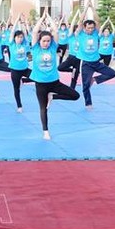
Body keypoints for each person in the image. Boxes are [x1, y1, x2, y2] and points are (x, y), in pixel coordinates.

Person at [29, 12, 80, 140]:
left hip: (54, 82)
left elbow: (56, 32)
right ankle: (45, 131)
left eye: (48, 41)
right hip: (40, 84)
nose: (46, 43)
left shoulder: (52, 48)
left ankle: (53, 96)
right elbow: (35, 32)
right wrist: (42, 18)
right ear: (39, 41)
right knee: (43, 108)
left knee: (75, 95)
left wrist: (50, 19)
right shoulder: (35, 49)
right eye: (44, 41)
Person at [75, 0, 115, 109]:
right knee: (85, 85)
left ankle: (95, 79)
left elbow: (97, 20)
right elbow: (80, 21)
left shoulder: (95, 34)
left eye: (92, 28)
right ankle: (88, 103)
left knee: (112, 73)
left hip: (96, 62)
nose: (90, 29)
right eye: (88, 28)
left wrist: (92, 7)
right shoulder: (80, 34)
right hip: (86, 64)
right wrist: (86, 8)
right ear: (85, 27)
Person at [7, 14, 33, 113]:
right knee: (16, 88)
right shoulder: (12, 45)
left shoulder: (25, 44)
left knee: (37, 76)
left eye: (21, 37)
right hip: (15, 70)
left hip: (25, 69)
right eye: (18, 37)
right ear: (15, 38)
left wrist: (23, 23)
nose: (20, 39)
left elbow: (26, 35)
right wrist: (17, 19)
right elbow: (12, 32)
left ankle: (24, 81)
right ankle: (19, 105)